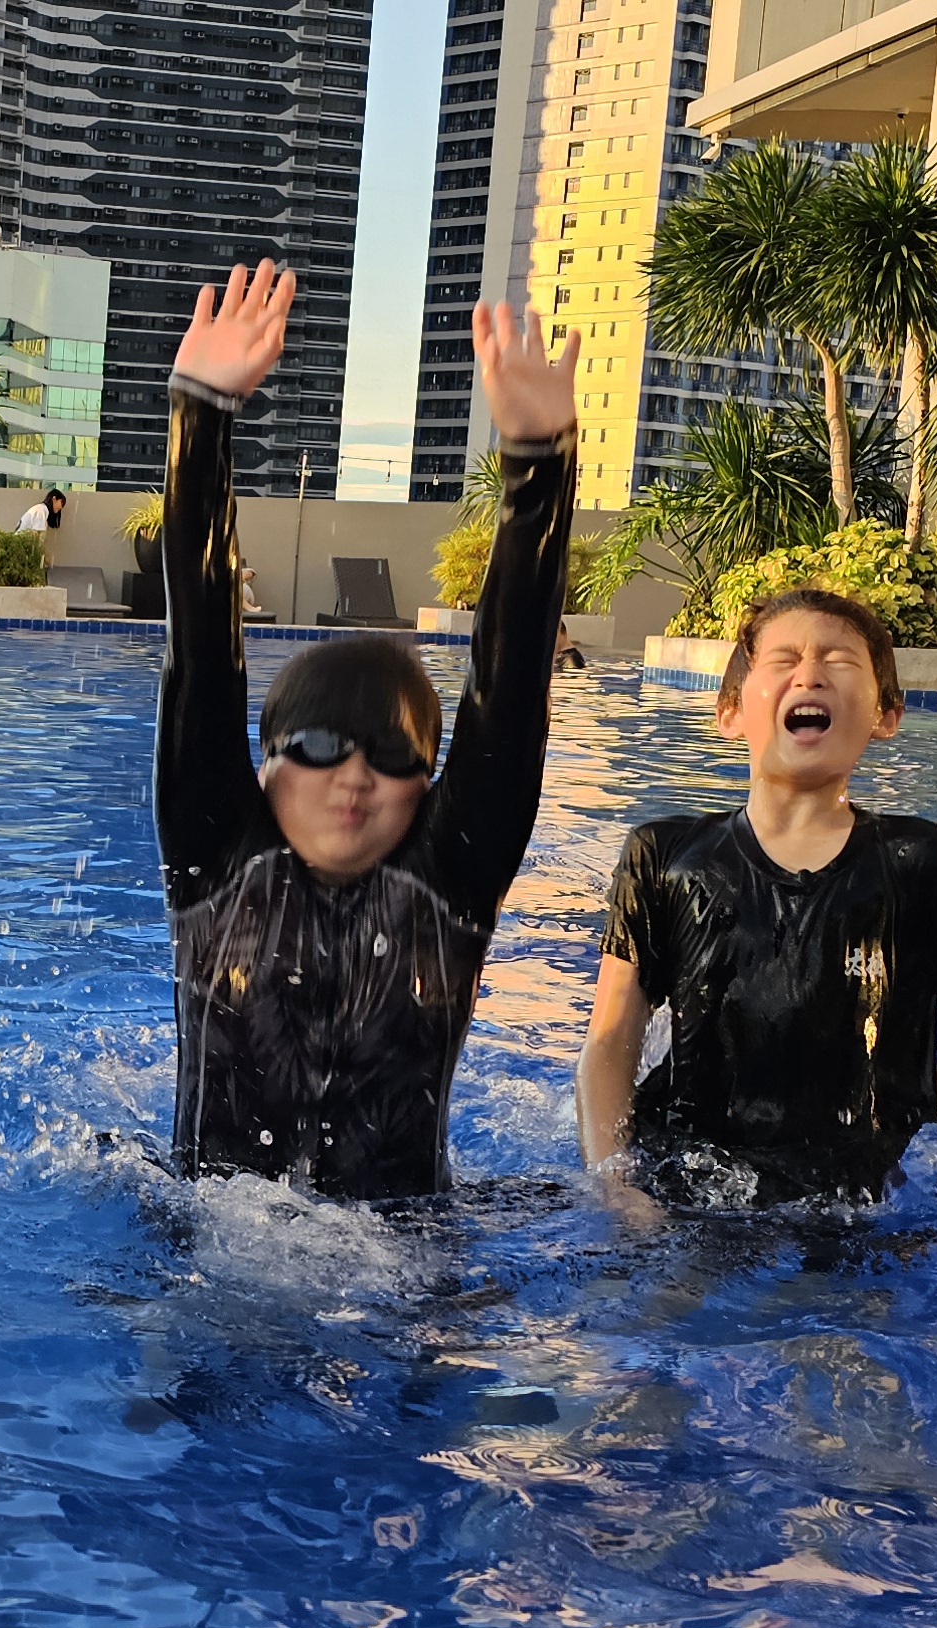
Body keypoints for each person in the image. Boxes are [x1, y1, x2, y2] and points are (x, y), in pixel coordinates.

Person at [150, 262, 577, 1200]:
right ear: (265, 769)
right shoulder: (217, 858)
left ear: (430, 780)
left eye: (389, 755)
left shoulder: (452, 880)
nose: (352, 777)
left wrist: (538, 466)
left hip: (407, 1256)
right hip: (197, 1247)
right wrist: (200, 414)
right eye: (317, 748)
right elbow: (202, 653)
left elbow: (509, 693)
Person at [578, 589, 937, 1209]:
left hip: (848, 1202)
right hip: (685, 1182)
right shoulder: (666, 855)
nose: (809, 674)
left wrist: (921, 1108)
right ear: (731, 711)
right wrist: (615, 1184)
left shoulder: (920, 862)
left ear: (886, 715)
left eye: (838, 660)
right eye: (784, 660)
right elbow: (610, 1040)